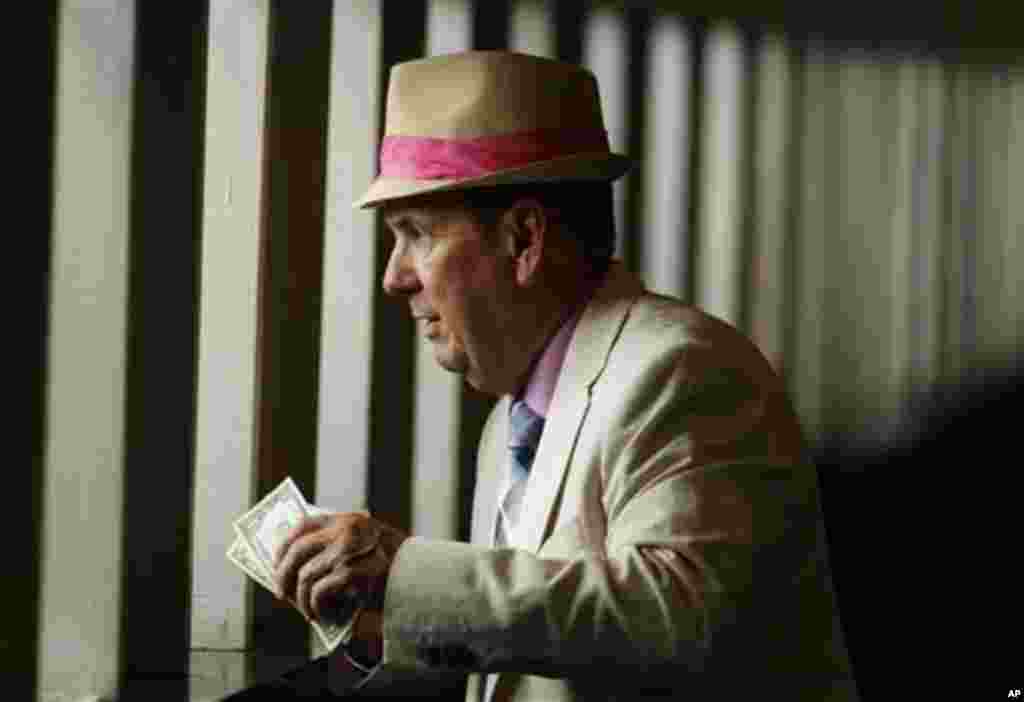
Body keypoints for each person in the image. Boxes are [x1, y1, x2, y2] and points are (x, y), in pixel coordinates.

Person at [227, 50, 859, 701]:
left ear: (525, 239)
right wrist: (384, 621)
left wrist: (403, 572)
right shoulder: (512, 420)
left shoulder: (684, 368)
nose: (394, 276)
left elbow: (675, 617)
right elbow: (533, 653)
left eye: (416, 233)